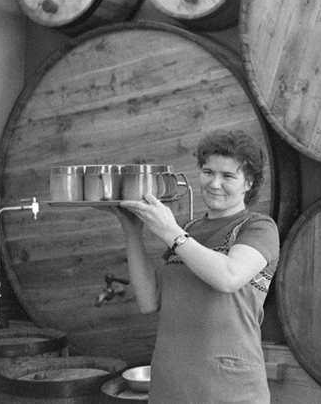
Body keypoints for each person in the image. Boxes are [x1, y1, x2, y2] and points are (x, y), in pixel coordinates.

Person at [108, 129, 279, 404]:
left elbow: (229, 277)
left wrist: (171, 232)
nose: (214, 183)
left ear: (248, 183)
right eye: (208, 172)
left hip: (227, 389)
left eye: (228, 176)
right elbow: (149, 301)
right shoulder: (190, 231)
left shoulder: (258, 227)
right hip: (171, 384)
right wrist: (132, 232)